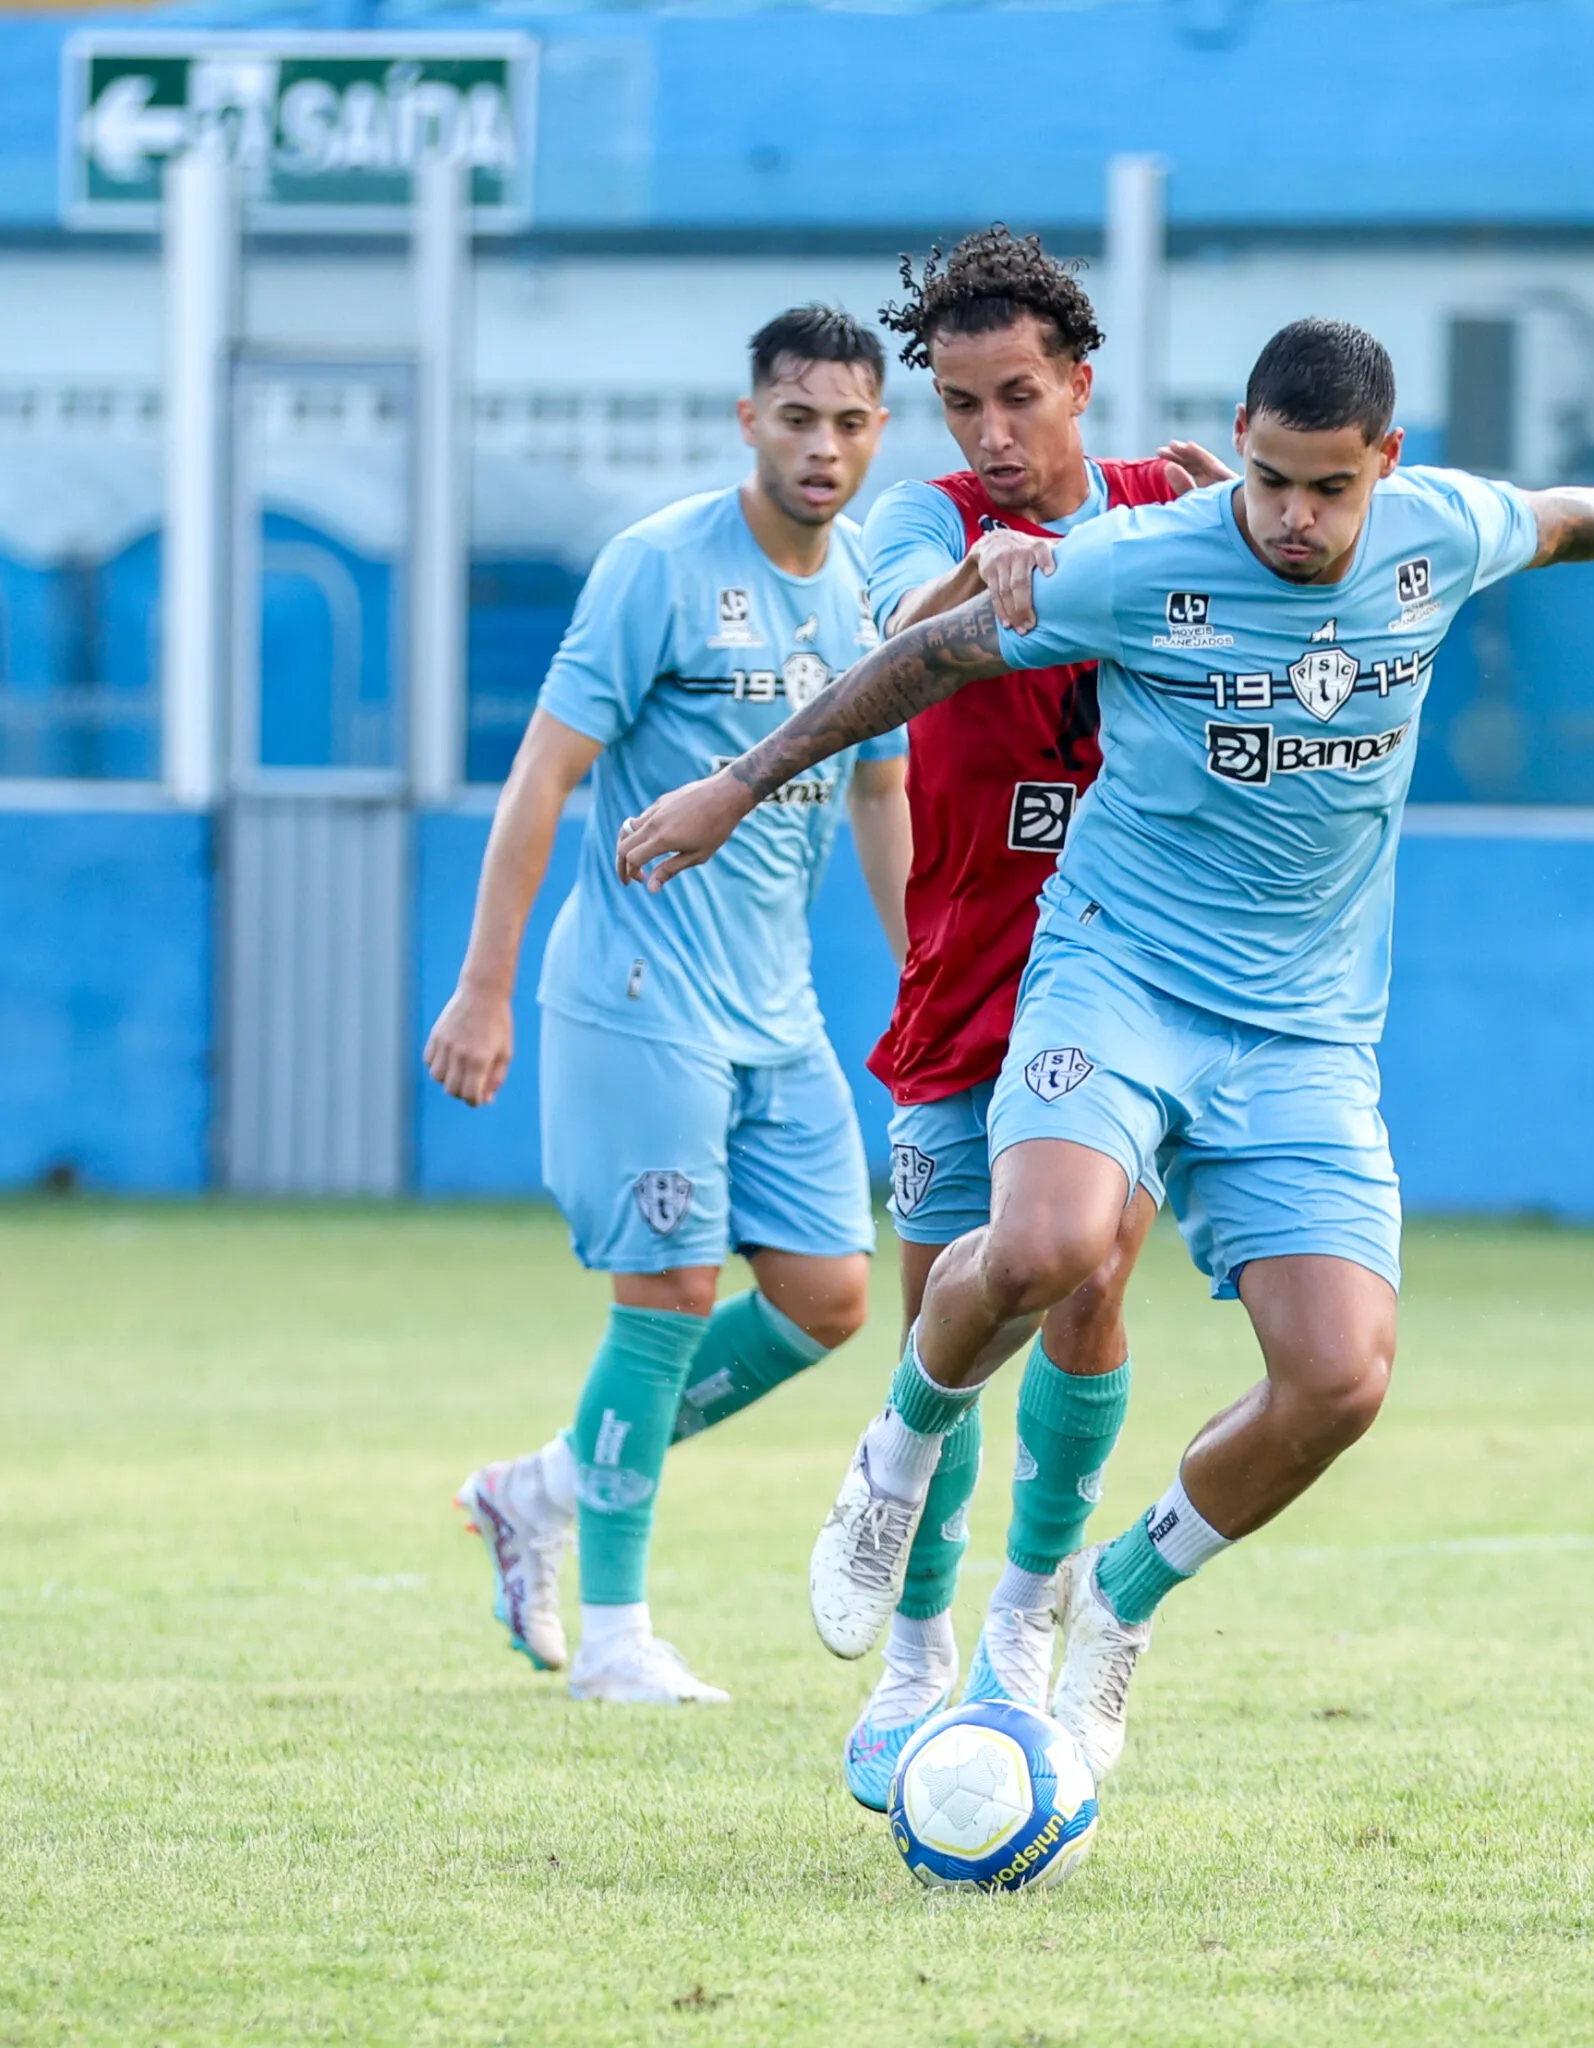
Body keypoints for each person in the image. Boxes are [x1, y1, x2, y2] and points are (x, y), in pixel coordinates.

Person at [615, 317, 1594, 1776]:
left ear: (1384, 469)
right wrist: (738, 780)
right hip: (1119, 976)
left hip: (1307, 1033)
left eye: (1326, 490)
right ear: (1243, 445)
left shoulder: (1438, 531)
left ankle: (1118, 1598)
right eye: (1268, 480)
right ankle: (896, 1459)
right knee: (1042, 1250)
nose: (1287, 517)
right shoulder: (1153, 555)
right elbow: (927, 661)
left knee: (1340, 1381)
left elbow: (1570, 519)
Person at [429, 305, 909, 1704]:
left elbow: (881, 793)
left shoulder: (869, 587)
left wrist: (922, 980)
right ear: (748, 420)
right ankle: (620, 1638)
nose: (823, 448)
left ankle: (548, 1487)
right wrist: (483, 987)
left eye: (851, 424)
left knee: (826, 1299)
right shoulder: (657, 568)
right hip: (639, 991)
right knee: (672, 1296)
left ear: (879, 435)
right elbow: (543, 778)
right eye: (799, 418)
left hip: (777, 1007)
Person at [834, 227, 1226, 1803]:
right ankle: (915, 1647)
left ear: (1081, 383)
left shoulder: (1167, 508)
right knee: (953, 1319)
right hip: (963, 984)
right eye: (960, 406)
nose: (990, 437)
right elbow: (891, 644)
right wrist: (978, 577)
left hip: (1118, 984)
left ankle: (1025, 1620)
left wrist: (1239, 523)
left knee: (1086, 1289)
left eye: (1016, 398)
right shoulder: (921, 523)